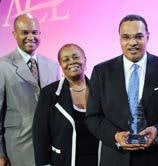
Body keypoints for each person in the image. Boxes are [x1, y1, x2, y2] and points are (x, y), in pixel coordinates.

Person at [85, 14, 158, 166]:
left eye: (138, 36)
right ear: (120, 39)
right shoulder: (101, 72)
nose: (132, 42)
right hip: (115, 158)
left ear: (148, 37)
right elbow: (92, 117)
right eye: (126, 37)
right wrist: (115, 136)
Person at [0, 13, 60, 166]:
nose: (30, 37)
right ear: (14, 34)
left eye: (34, 32)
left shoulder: (52, 65)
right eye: (24, 32)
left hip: (50, 146)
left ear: (40, 33)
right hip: (18, 147)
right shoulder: (3, 66)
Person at [33, 44, 99, 166]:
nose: (72, 62)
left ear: (84, 59)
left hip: (99, 160)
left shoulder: (100, 90)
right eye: (66, 60)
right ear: (61, 65)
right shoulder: (49, 94)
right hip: (65, 161)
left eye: (75, 57)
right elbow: (40, 136)